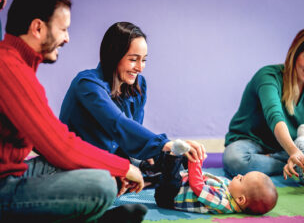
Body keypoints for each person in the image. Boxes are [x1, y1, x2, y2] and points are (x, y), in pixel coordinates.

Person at [0, 0, 148, 222]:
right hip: (3, 187)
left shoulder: (17, 66)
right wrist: (122, 168)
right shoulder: (9, 69)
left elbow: (55, 145)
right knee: (101, 185)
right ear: (38, 28)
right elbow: (60, 145)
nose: (67, 38)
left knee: (92, 169)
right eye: (63, 29)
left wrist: (114, 166)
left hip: (14, 172)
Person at [59, 22, 204, 175]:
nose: (140, 68)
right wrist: (165, 144)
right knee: (110, 182)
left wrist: (149, 152)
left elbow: (132, 132)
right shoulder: (87, 84)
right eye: (134, 59)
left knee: (178, 160)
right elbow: (118, 123)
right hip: (82, 161)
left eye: (144, 60)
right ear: (113, 56)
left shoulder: (138, 84)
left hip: (115, 155)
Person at [223, 29, 304, 181]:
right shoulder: (268, 76)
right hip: (250, 142)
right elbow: (274, 116)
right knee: (235, 160)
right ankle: (291, 165)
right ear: (295, 53)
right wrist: (294, 152)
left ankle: (290, 162)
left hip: (285, 147)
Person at [154, 147, 278, 215]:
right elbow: (204, 178)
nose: (239, 175)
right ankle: (151, 166)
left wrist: (195, 163)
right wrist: (197, 161)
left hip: (170, 197)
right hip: (182, 181)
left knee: (172, 176)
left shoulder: (223, 203)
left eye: (241, 179)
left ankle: (172, 155)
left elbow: (198, 187)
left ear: (241, 199)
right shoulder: (232, 190)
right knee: (176, 166)